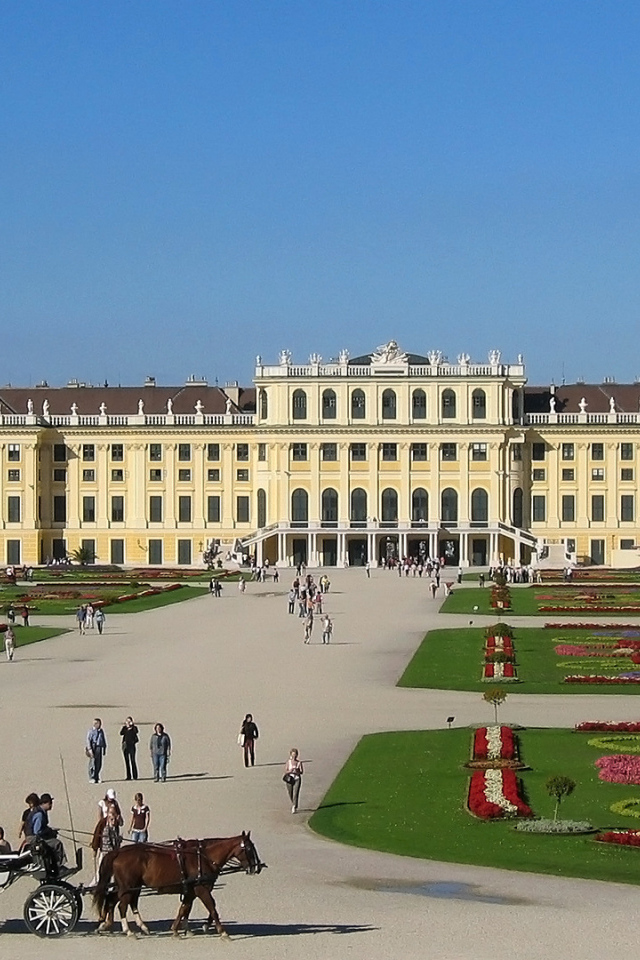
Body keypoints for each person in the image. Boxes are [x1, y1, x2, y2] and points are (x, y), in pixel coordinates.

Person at [94, 807, 121, 883]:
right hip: (106, 854)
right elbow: (107, 843)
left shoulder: (115, 828)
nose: (114, 821)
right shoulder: (106, 829)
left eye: (115, 819)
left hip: (113, 853)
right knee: (101, 873)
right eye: (112, 819)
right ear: (108, 819)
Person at [283, 748, 304, 813]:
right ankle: (294, 803)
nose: (294, 756)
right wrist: (290, 771)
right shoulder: (288, 762)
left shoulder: (299, 763)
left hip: (297, 778)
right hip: (290, 779)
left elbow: (301, 772)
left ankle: (294, 806)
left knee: (296, 793)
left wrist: (297, 771)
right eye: (293, 755)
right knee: (290, 792)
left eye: (295, 755)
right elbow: (285, 771)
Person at [87, 718, 107, 783]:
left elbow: (103, 739)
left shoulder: (101, 731)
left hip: (99, 747)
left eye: (99, 723)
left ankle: (97, 776)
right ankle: (91, 777)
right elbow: (88, 740)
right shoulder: (91, 731)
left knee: (99, 763)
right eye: (97, 723)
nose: (98, 725)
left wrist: (104, 748)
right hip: (93, 747)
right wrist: (90, 749)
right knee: (92, 763)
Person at [120, 716, 139, 780]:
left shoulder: (134, 728)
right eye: (127, 721)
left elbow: (136, 731)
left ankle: (135, 776)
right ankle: (128, 776)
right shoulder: (124, 728)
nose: (128, 722)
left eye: (129, 721)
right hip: (125, 746)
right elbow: (121, 733)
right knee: (127, 761)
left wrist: (132, 726)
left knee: (133, 760)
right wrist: (126, 726)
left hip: (132, 746)